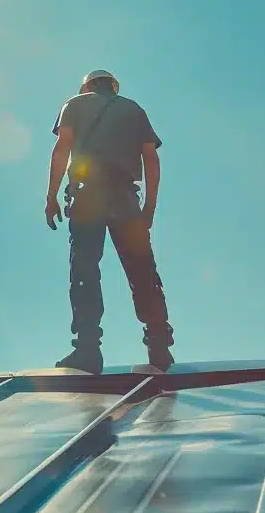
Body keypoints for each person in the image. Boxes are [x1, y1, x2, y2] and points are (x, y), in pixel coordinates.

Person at [44, 69, 174, 374]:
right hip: (125, 196)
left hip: (87, 194)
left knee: (85, 267)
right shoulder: (134, 108)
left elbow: (63, 147)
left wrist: (51, 196)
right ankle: (159, 348)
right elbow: (151, 159)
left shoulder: (74, 103)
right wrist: (150, 207)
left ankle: (88, 351)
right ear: (113, 87)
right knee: (142, 268)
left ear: (87, 85)